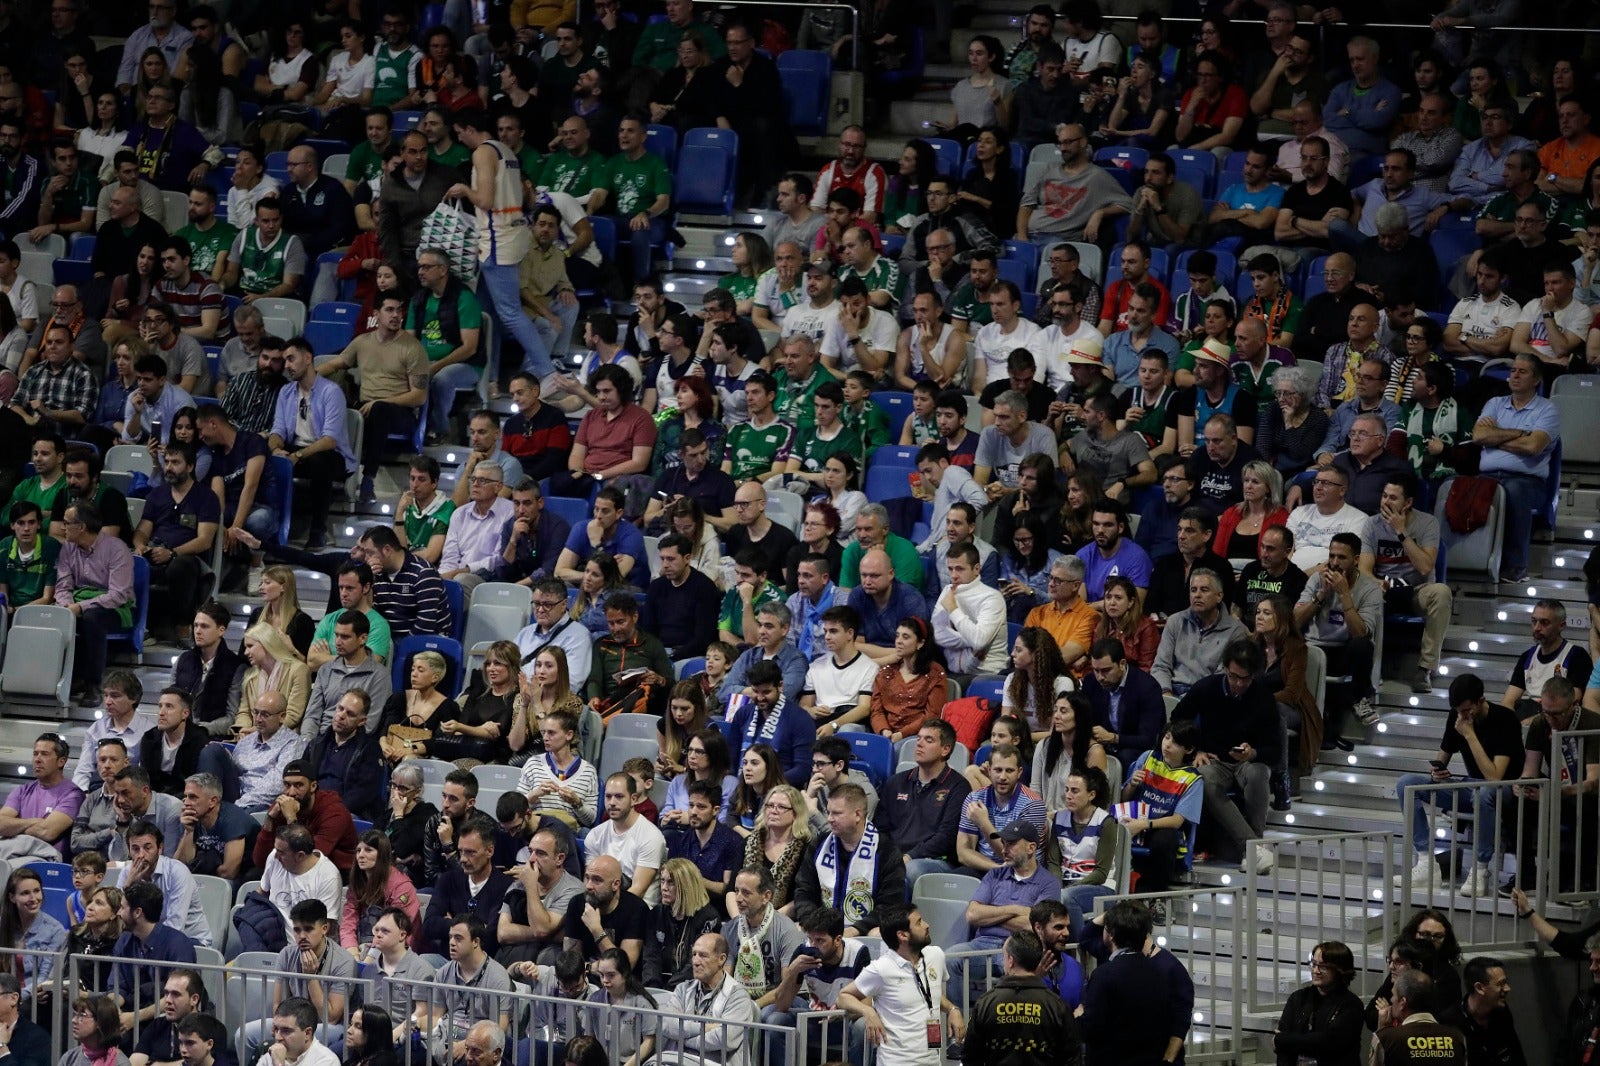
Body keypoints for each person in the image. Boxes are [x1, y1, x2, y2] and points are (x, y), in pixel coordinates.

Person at [1295, 532, 1384, 738]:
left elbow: (1360, 632)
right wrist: (1320, 596)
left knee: (1362, 645)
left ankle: (1360, 699)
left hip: (1344, 650)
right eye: (1332, 556)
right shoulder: (1316, 580)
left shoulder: (1370, 590)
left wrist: (1344, 595)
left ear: (1356, 560)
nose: (1335, 563)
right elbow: (1295, 621)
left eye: (1341, 558)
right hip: (1313, 648)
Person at [964, 930, 1080, 1065]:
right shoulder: (1057, 1006)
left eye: (1004, 956)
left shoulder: (985, 1004)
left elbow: (970, 1058)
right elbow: (1072, 1059)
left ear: (1011, 961)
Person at [1274, 940, 1364, 1066]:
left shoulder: (1352, 1005)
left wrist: (1283, 1039)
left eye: (1323, 966)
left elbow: (1327, 1043)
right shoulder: (1298, 998)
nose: (1316, 971)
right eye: (1313, 964)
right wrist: (1284, 1041)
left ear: (1340, 970)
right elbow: (1283, 1048)